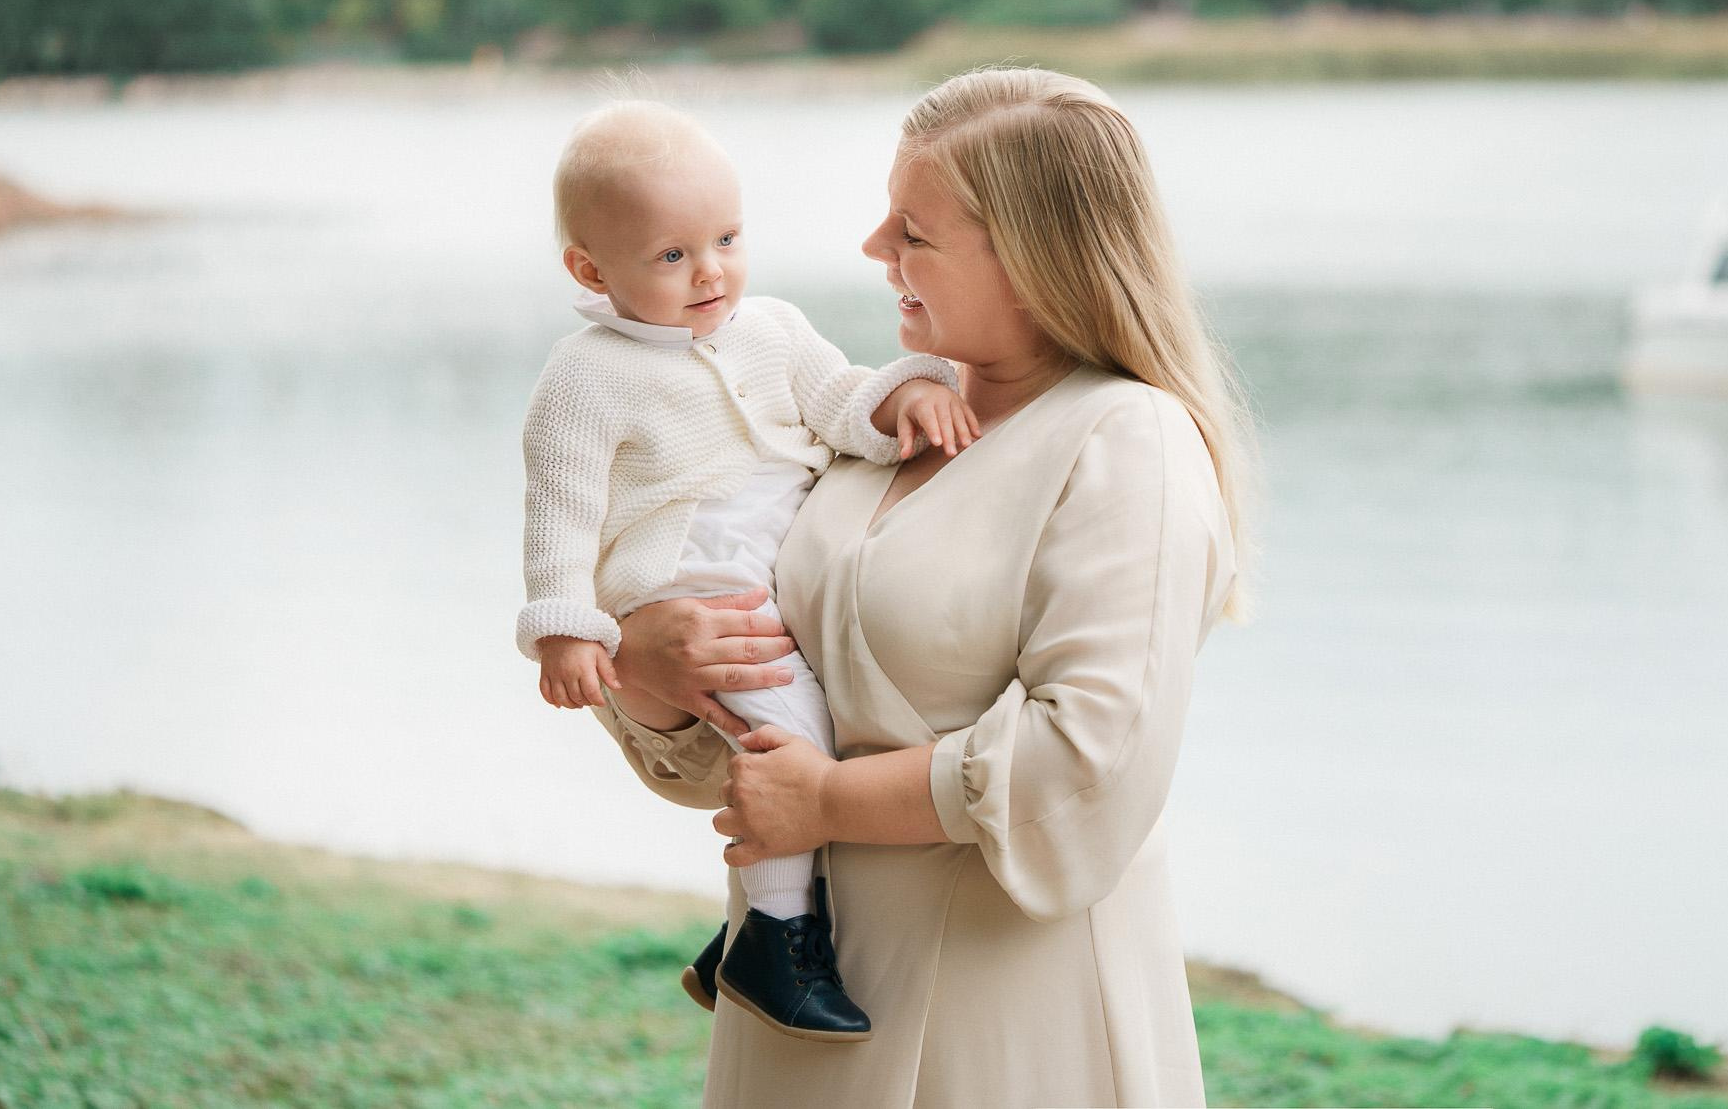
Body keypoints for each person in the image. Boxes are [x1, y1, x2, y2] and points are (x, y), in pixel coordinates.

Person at [594, 66, 1250, 1108]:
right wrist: (652, 676)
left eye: (914, 230)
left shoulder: (1128, 441)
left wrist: (825, 800)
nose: (873, 250)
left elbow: (1089, 760)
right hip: (801, 1009)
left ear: (1036, 260)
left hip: (1006, 1020)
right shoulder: (869, 424)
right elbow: (721, 768)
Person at [517, 99, 977, 1039]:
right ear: (589, 268)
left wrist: (909, 390)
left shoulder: (770, 327)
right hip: (690, 581)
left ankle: (744, 929)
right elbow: (559, 506)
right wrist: (565, 623)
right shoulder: (586, 373)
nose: (712, 270)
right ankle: (774, 935)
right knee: (789, 730)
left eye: (727, 237)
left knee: (822, 713)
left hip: (763, 566)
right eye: (672, 255)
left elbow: (838, 399)